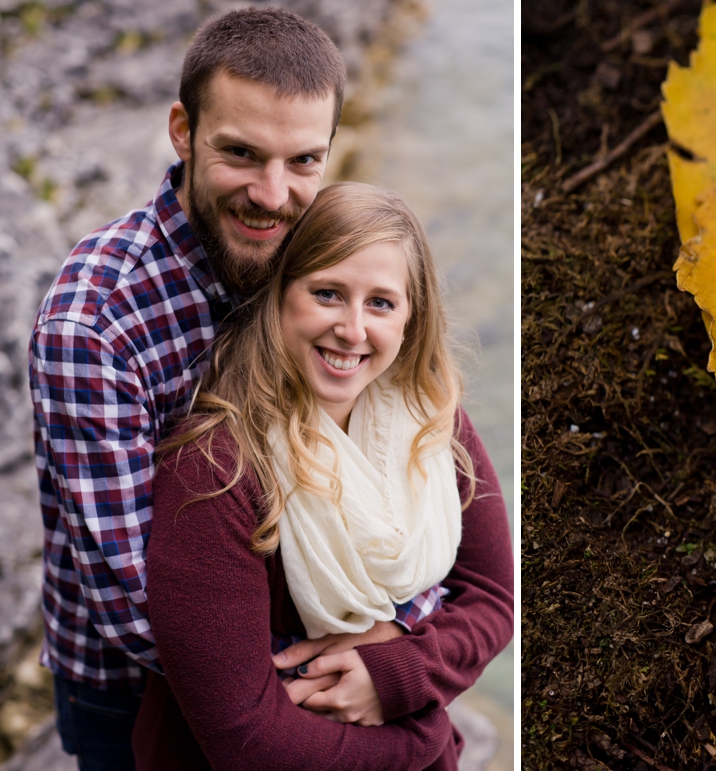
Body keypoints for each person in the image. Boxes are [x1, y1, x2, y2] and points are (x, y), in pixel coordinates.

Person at [27, 9, 489, 767]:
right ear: (183, 131)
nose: (272, 195)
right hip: (134, 685)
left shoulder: (313, 258)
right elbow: (134, 594)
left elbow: (402, 426)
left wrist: (397, 645)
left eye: (304, 160)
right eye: (240, 153)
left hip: (308, 639)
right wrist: (346, 664)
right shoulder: (95, 325)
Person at [133, 182, 513, 767]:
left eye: (381, 303)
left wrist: (399, 673)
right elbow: (246, 741)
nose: (353, 330)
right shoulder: (213, 473)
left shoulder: (432, 422)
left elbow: (493, 597)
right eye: (329, 293)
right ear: (280, 296)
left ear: (412, 317)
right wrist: (422, 740)